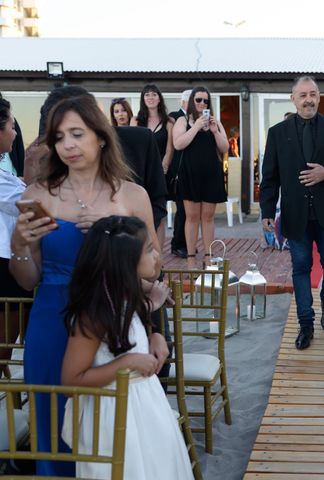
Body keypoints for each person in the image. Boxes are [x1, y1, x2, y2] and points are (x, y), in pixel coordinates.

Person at [9, 93, 168, 476]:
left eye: (77, 134)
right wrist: (20, 246)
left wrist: (113, 229)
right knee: (53, 424)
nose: (68, 145)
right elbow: (29, 280)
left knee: (111, 433)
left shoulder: (132, 195)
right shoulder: (37, 196)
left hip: (112, 325)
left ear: (100, 136)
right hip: (51, 321)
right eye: (59, 137)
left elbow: (153, 269)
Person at [61, 216, 193, 480]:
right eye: (149, 250)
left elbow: (130, 332)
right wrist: (128, 362)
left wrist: (154, 335)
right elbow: (70, 380)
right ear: (125, 262)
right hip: (111, 414)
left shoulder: (125, 296)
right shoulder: (94, 315)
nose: (157, 254)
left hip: (145, 405)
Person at [260, 75, 324, 350]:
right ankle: (306, 324)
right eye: (302, 95)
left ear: (319, 96)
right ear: (293, 98)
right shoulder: (277, 133)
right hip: (295, 214)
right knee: (301, 268)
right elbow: (269, 177)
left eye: (313, 94)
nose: (309, 99)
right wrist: (267, 211)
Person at [172, 86, 229, 269]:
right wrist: (196, 127)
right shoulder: (182, 120)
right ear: (191, 102)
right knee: (192, 217)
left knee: (208, 217)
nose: (202, 103)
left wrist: (214, 130)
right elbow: (178, 144)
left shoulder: (215, 121)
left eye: (205, 100)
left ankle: (208, 257)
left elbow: (224, 147)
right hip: (190, 174)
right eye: (198, 100)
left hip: (211, 174)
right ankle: (190, 259)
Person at [0, 98, 31, 369]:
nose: (16, 132)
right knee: (3, 348)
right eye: (12, 125)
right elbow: (30, 203)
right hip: (3, 267)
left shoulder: (4, 172)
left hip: (11, 263)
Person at [131, 84, 174, 249]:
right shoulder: (136, 121)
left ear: (159, 98)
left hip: (160, 174)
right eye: (147, 95)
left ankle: (159, 257)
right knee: (140, 213)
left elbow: (170, 148)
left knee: (159, 214)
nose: (150, 97)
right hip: (140, 173)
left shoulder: (168, 121)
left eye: (154, 94)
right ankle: (142, 252)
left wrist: (164, 166)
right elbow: (132, 147)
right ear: (143, 99)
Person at [168, 89, 190, 259]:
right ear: (183, 102)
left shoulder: (198, 119)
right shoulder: (174, 116)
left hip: (191, 171)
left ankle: (186, 243)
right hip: (177, 170)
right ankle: (177, 244)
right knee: (182, 209)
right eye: (192, 100)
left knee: (189, 210)